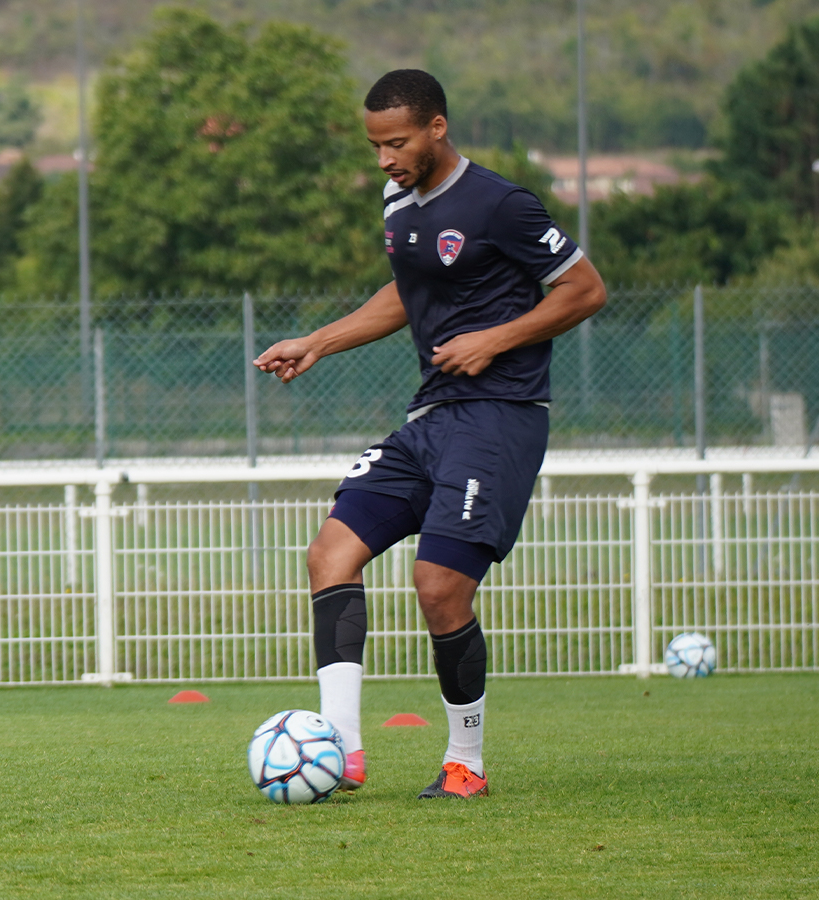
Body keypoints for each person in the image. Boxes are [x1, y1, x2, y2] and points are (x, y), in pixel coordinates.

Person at [254, 69, 606, 799]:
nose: (384, 158)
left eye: (397, 142)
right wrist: (320, 340)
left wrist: (496, 341)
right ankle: (340, 752)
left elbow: (585, 289)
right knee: (331, 551)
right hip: (431, 417)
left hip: (501, 416)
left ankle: (465, 764)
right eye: (376, 145)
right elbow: (408, 293)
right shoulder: (398, 201)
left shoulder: (501, 204)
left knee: (439, 587)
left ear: (437, 129)